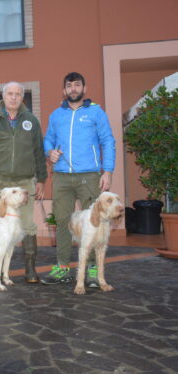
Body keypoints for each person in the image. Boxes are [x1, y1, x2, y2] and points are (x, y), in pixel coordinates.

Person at [41, 72, 116, 286]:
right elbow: (48, 140)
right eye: (69, 85)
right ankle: (62, 268)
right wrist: (50, 153)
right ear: (64, 90)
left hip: (89, 177)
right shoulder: (56, 115)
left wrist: (107, 170)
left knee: (94, 222)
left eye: (77, 85)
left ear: (84, 88)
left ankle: (92, 271)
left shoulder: (96, 112)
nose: (73, 89)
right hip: (62, 177)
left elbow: (107, 140)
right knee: (62, 221)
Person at [0, 81, 47, 284]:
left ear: (22, 98)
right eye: (10, 94)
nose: (14, 97)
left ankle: (30, 268)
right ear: (3, 96)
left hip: (24, 183)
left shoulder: (31, 121)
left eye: (17, 94)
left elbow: (38, 153)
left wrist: (41, 179)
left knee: (27, 225)